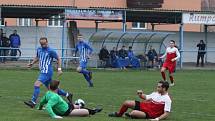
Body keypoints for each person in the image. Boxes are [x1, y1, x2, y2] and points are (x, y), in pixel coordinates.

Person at [24, 37, 72, 108]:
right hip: (42, 71)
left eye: (44, 43)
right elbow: (37, 57)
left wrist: (59, 69)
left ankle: (33, 102)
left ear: (47, 42)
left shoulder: (51, 51)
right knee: (51, 89)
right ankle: (67, 94)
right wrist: (32, 63)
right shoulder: (39, 49)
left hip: (47, 72)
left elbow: (58, 59)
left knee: (36, 85)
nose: (43, 45)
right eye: (41, 44)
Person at [37, 80, 102, 119]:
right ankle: (92, 111)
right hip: (66, 112)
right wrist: (54, 116)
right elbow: (48, 106)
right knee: (86, 112)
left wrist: (40, 107)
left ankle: (84, 107)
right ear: (57, 87)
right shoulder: (55, 97)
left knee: (78, 106)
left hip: (67, 106)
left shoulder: (48, 92)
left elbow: (42, 101)